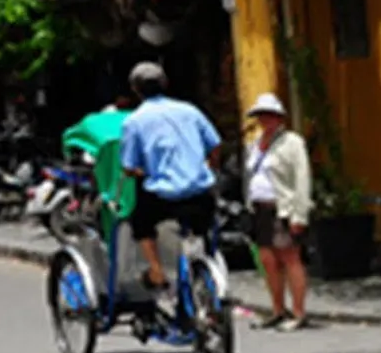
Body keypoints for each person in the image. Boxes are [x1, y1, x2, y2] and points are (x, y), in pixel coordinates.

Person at [119, 62, 221, 292]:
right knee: (204, 226)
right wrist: (209, 167)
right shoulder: (190, 111)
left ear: (135, 90)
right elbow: (214, 144)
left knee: (141, 223)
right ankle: (206, 266)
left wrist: (144, 171)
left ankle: (156, 271)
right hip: (199, 191)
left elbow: (128, 166)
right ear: (165, 84)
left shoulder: (134, 121)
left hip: (164, 196)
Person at [243, 94, 312, 331]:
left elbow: (301, 180)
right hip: (259, 209)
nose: (265, 119)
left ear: (279, 117)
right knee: (268, 260)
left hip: (282, 208)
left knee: (290, 258)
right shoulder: (255, 143)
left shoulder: (292, 142)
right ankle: (277, 309)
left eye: (269, 115)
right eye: (261, 115)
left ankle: (299, 312)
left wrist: (299, 215)